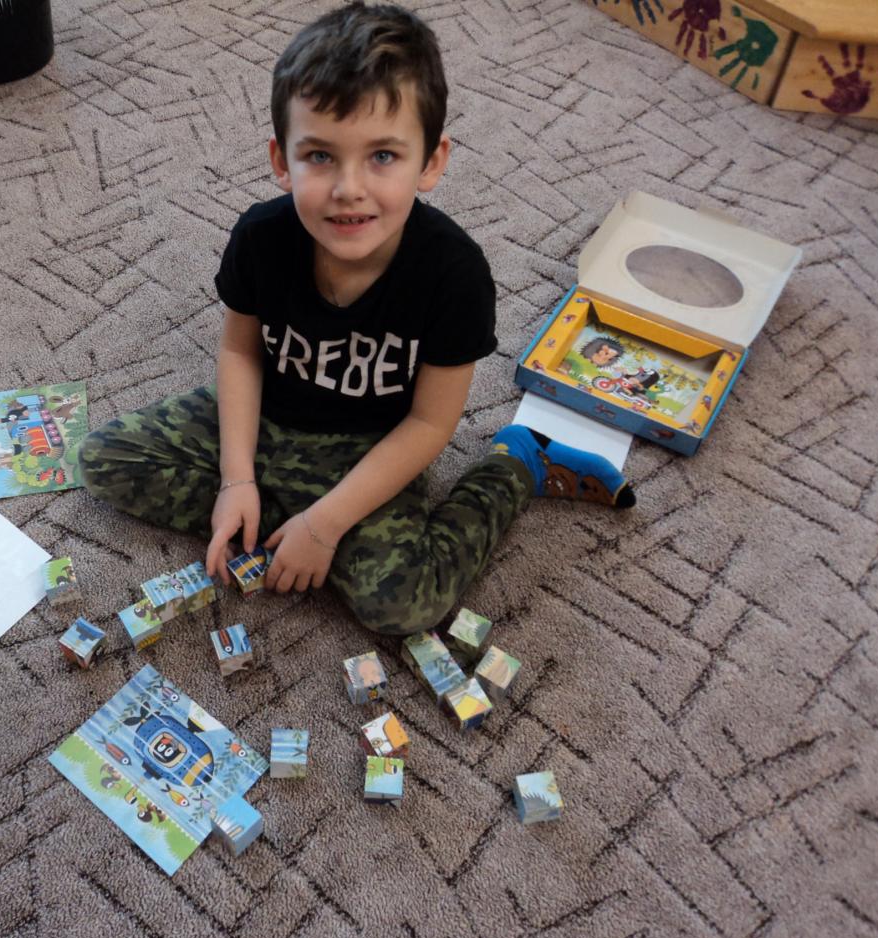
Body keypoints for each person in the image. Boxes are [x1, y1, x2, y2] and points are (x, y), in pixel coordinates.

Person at [79, 1, 635, 635]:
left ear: (431, 162)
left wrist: (326, 523)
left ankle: (517, 463)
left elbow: (430, 423)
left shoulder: (455, 272)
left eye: (383, 156)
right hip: (266, 419)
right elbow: (239, 352)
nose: (349, 188)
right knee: (104, 459)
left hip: (373, 447)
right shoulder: (260, 237)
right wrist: (235, 480)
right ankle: (272, 511)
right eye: (320, 156)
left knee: (404, 606)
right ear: (281, 160)